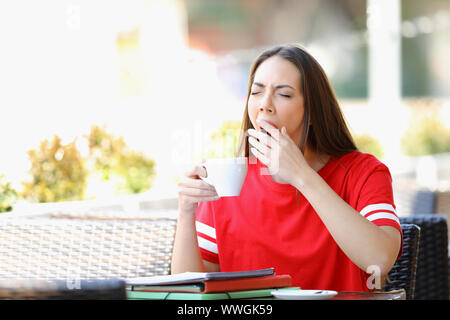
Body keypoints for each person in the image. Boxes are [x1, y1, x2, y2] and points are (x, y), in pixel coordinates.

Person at [171, 44, 402, 292]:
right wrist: (186, 212)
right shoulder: (229, 180)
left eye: (284, 94)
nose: (264, 105)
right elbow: (188, 291)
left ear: (313, 112)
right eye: (256, 92)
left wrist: (302, 176)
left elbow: (379, 261)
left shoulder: (363, 172)